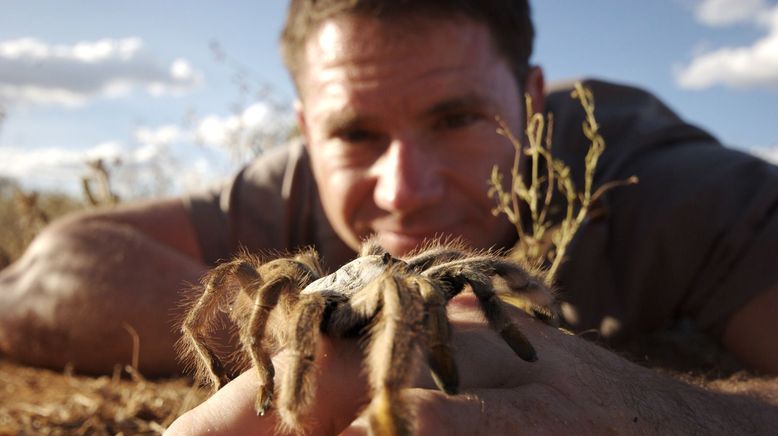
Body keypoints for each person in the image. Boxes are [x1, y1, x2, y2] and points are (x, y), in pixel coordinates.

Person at [2, 0, 777, 433]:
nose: (402, 192)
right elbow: (53, 269)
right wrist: (280, 340)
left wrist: (655, 406)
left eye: (456, 119)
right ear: (308, 130)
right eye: (355, 132)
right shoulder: (294, 184)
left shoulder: (669, 187)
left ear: (530, 104)